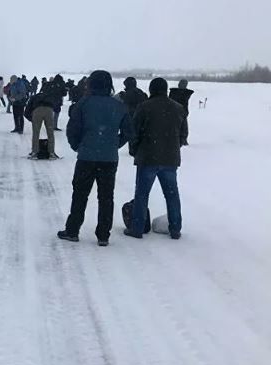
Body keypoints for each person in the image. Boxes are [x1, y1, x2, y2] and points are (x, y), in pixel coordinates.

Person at [58, 70, 133, 246]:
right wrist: (114, 144)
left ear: (91, 84)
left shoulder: (84, 103)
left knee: (80, 195)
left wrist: (78, 146)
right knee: (106, 197)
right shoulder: (119, 105)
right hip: (109, 159)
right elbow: (129, 131)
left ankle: (72, 230)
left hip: (86, 157)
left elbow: (72, 129)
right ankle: (103, 235)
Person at [127, 78, 188, 239]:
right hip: (170, 159)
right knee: (172, 195)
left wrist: (135, 150)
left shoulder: (144, 107)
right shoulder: (178, 108)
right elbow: (183, 134)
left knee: (142, 194)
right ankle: (175, 228)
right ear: (166, 90)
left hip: (147, 157)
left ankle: (137, 228)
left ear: (151, 89)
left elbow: (134, 132)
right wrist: (173, 147)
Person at [25, 90, 58, 158]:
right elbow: (56, 105)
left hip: (37, 111)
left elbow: (27, 109)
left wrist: (31, 119)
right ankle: (51, 152)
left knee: (36, 133)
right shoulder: (50, 97)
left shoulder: (34, 97)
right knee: (50, 133)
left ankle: (35, 152)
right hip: (49, 111)